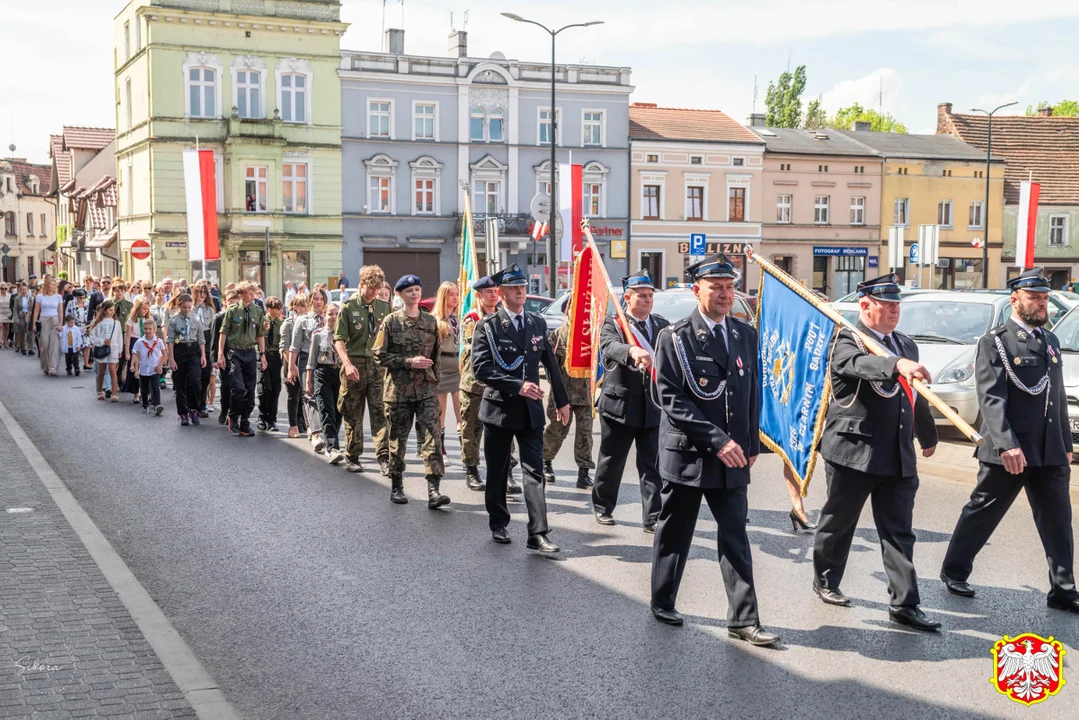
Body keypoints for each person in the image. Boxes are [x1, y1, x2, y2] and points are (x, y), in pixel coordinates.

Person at [649, 253, 778, 647]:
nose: (725, 294)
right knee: (675, 531)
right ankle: (663, 599)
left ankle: (744, 619)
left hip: (733, 457)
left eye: (729, 287)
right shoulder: (674, 337)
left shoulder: (744, 334)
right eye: (716, 287)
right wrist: (717, 440)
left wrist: (752, 443)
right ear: (696, 290)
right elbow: (668, 397)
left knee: (735, 535)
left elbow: (751, 392)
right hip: (689, 453)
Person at [940, 269, 1079, 615]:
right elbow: (991, 397)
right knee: (983, 512)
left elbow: (1056, 396)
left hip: (1048, 450)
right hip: (1010, 450)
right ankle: (954, 571)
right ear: (1015, 299)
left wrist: (1065, 441)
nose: (1042, 303)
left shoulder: (1049, 341)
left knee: (1059, 521)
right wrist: (1006, 444)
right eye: (1035, 297)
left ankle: (1063, 589)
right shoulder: (996, 342)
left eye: (1045, 298)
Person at [811, 274, 940, 632]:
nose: (894, 311)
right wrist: (895, 365)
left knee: (899, 531)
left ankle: (904, 603)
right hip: (854, 450)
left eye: (897, 305)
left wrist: (926, 434)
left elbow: (915, 396)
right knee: (839, 522)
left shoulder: (906, 345)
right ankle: (825, 579)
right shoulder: (846, 338)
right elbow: (857, 366)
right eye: (887, 305)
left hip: (897, 453)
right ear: (865, 305)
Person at [471, 264, 569, 550]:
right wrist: (517, 386)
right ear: (501, 293)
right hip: (499, 410)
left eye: (523, 286)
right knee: (498, 471)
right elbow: (481, 369)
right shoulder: (487, 327)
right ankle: (499, 522)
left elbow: (550, 363)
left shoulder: (537, 323)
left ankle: (538, 532)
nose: (521, 292)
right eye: (514, 288)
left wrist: (562, 401)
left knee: (534, 471)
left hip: (530, 412)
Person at [591, 270, 669, 531]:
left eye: (650, 296)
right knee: (612, 461)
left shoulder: (660, 325)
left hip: (652, 407)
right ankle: (602, 506)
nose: (647, 300)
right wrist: (632, 349)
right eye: (641, 296)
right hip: (619, 406)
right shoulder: (614, 323)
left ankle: (652, 517)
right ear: (627, 297)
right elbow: (609, 346)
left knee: (652, 465)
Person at [373, 274, 448, 507]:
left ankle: (434, 490)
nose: (414, 294)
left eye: (417, 289)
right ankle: (397, 486)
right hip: (399, 392)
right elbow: (379, 354)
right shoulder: (391, 322)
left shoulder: (430, 322)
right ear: (400, 295)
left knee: (433, 439)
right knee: (398, 440)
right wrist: (407, 362)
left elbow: (436, 355)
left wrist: (435, 381)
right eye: (409, 291)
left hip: (426, 390)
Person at [458, 276, 521, 493]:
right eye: (488, 292)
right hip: (474, 385)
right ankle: (472, 470)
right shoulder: (472, 319)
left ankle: (508, 473)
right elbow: (473, 348)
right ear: (479, 295)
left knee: (505, 428)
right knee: (472, 429)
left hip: (500, 384)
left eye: (495, 291)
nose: (493, 295)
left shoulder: (505, 317)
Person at [334, 265, 392, 474]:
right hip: (354, 365)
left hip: (377, 367)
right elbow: (339, 339)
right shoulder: (348, 307)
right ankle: (353, 456)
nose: (375, 293)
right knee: (353, 413)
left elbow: (388, 338)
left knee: (380, 412)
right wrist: (347, 364)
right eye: (371, 289)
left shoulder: (384, 308)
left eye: (378, 289)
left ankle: (384, 458)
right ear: (361, 285)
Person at [541, 313, 595, 488]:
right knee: (557, 430)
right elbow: (550, 367)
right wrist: (557, 392)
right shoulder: (558, 335)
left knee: (585, 433)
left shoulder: (593, 335)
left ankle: (584, 472)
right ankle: (545, 462)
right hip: (563, 392)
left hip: (585, 393)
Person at [218, 281, 267, 436]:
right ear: (241, 295)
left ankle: (245, 423)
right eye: (250, 292)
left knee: (250, 392)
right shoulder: (232, 311)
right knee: (239, 388)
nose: (253, 295)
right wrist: (220, 354)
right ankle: (233, 415)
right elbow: (223, 332)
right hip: (235, 353)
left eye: (254, 292)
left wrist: (263, 355)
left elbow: (260, 335)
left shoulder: (257, 311)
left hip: (250, 353)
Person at [307, 303, 345, 464]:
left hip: (341, 374)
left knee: (338, 411)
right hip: (323, 372)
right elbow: (311, 360)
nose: (333, 317)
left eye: (337, 314)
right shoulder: (318, 335)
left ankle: (331, 437)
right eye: (330, 314)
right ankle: (332, 448)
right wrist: (309, 381)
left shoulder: (345, 335)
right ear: (324, 316)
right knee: (326, 410)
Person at [290, 287, 328, 450]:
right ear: (310, 301)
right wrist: (291, 367)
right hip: (306, 359)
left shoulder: (330, 318)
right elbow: (295, 346)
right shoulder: (303, 320)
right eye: (315, 298)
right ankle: (316, 434)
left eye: (321, 299)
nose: (318, 302)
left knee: (324, 396)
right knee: (309, 394)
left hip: (324, 359)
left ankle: (315, 428)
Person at [432, 281, 463, 456]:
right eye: (452, 294)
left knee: (461, 412)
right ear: (444, 296)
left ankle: (465, 450)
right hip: (442, 366)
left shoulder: (459, 318)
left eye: (457, 294)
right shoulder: (436, 320)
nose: (456, 298)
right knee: (440, 413)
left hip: (457, 366)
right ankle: (441, 450)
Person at [167, 293, 207, 427]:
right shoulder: (173, 321)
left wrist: (203, 355)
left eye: (189, 307)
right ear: (179, 306)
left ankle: (194, 409)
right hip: (180, 351)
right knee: (180, 383)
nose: (187, 310)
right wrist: (171, 359)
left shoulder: (196, 320)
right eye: (184, 308)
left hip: (193, 350)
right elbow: (171, 341)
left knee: (195, 380)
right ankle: (183, 413)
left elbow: (201, 339)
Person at [257, 296, 285, 432]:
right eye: (277, 309)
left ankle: (272, 419)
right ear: (269, 309)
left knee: (276, 388)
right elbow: (258, 338)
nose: (280, 311)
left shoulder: (281, 323)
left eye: (281, 308)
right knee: (264, 387)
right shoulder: (262, 321)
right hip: (264, 355)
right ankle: (262, 417)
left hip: (276, 357)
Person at [282, 294, 308, 439]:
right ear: (295, 307)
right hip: (290, 363)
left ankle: (302, 422)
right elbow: (285, 347)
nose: (304, 308)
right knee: (293, 395)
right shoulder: (288, 323)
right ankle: (293, 426)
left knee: (304, 396)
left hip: (304, 363)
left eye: (306, 305)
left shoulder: (308, 322)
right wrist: (292, 365)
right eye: (302, 305)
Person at [88, 300, 123, 402]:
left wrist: (120, 349)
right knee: (102, 371)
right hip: (102, 349)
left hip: (114, 348)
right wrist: (103, 341)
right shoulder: (97, 322)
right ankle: (99, 391)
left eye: (113, 310)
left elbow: (119, 337)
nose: (112, 312)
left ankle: (114, 393)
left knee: (113, 371)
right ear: (104, 310)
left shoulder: (116, 323)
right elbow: (93, 337)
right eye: (110, 310)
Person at [192, 283, 217, 416]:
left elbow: (213, 329)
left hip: (207, 338)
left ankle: (202, 405)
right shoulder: (190, 308)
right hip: (194, 340)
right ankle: (193, 405)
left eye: (204, 293)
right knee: (195, 376)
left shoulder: (210, 309)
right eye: (199, 292)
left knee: (205, 376)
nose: (202, 295)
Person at [131, 318, 165, 416]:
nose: (148, 331)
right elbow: (136, 355)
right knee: (144, 388)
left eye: (150, 329)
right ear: (143, 329)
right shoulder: (139, 342)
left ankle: (157, 405)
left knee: (155, 387)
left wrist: (160, 365)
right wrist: (135, 368)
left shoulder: (159, 341)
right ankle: (145, 404)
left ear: (154, 330)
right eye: (145, 329)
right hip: (144, 369)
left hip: (155, 368)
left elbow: (164, 354)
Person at [121, 297, 151, 402]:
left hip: (146, 343)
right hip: (135, 343)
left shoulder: (148, 319)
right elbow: (128, 336)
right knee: (135, 368)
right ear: (138, 308)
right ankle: (136, 394)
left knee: (147, 368)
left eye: (147, 309)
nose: (145, 311)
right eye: (143, 308)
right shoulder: (131, 320)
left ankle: (147, 392)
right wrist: (127, 352)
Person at [32, 279, 63, 376]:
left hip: (54, 320)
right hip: (43, 320)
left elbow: (60, 311)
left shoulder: (58, 297)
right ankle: (45, 366)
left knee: (54, 345)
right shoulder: (40, 297)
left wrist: (60, 324)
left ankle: (53, 368)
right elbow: (36, 311)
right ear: (47, 285)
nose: (53, 286)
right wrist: (34, 324)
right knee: (44, 345)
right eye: (51, 284)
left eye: (54, 285)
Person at [12, 283, 35, 355]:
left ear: (27, 290)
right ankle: (23, 348)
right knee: (22, 332)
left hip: (29, 316)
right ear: (20, 290)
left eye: (25, 289)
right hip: (21, 316)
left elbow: (33, 309)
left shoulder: (31, 298)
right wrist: (16, 319)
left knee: (30, 332)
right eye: (22, 289)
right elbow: (15, 309)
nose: (24, 291)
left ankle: (30, 348)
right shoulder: (17, 299)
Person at [0, 283, 12, 349]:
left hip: (8, 312)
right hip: (0, 312)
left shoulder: (9, 295)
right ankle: (0, 341)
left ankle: (5, 341)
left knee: (7, 327)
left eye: (5, 288)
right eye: (2, 288)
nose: (4, 290)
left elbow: (11, 304)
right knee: (0, 326)